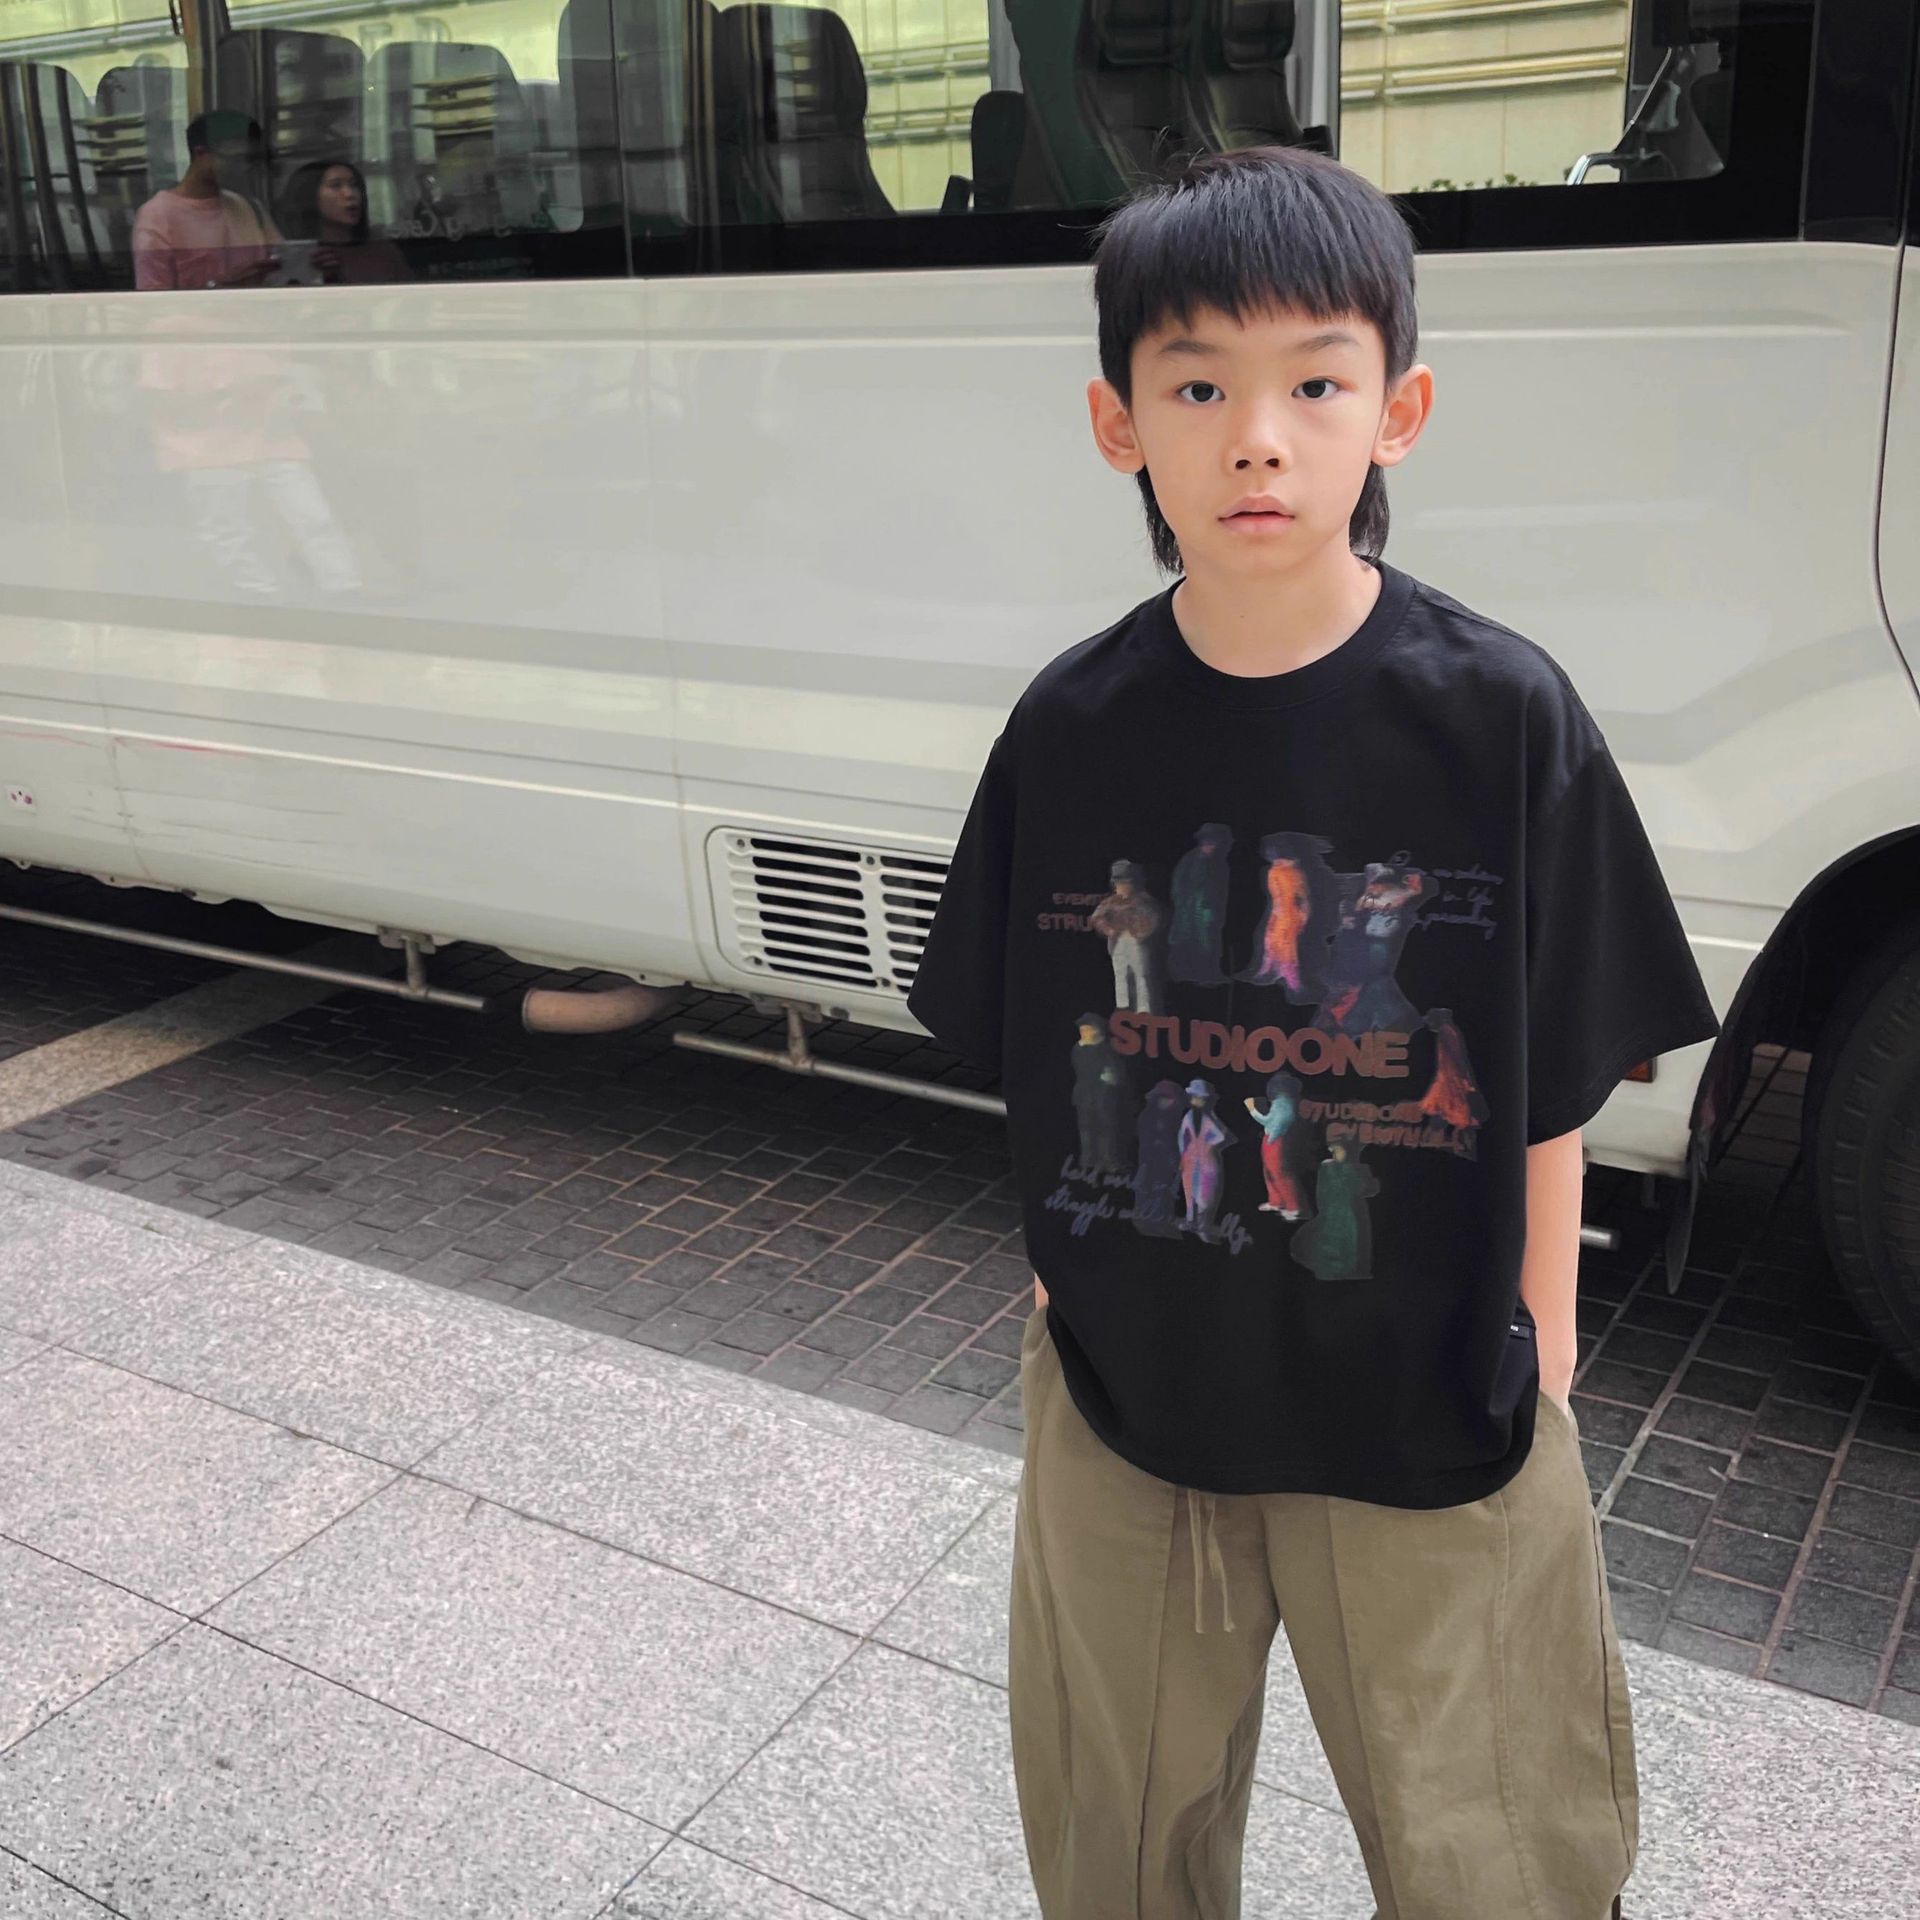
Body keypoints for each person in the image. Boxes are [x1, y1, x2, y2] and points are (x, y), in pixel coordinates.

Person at [905, 144, 1721, 1920]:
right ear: (1119, 424)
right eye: (1199, 386)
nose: (1257, 440)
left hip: (1432, 1408)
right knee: (1119, 1848)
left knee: (1496, 1860)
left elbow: (1551, 1076)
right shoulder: (1071, 727)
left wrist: (1543, 1362)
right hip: (1131, 1407)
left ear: (1397, 412)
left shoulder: (1500, 717)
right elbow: (1047, 1051)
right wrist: (1063, 1305)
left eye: (1316, 384)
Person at [131, 110, 281, 291]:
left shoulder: (249, 207)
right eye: (235, 159)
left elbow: (282, 266)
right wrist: (219, 286)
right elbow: (152, 298)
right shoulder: (157, 216)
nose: (245, 168)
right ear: (201, 154)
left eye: (251, 159)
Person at [275, 159, 412, 286]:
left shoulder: (383, 251)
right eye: (335, 186)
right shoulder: (296, 255)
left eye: (354, 185)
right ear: (310, 196)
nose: (349, 194)